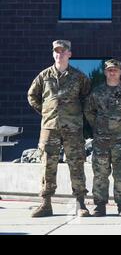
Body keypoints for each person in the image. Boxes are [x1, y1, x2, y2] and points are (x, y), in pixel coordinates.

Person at [27, 40, 91, 217]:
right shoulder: (44, 76)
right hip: (50, 127)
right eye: (56, 51)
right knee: (47, 165)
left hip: (73, 128)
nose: (59, 54)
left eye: (63, 51)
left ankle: (80, 203)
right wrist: (46, 112)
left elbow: (87, 99)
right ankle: (46, 203)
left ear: (70, 54)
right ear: (53, 53)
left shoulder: (79, 77)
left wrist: (80, 118)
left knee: (76, 163)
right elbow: (32, 96)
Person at [84, 59, 121, 217]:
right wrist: (99, 126)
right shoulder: (97, 92)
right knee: (100, 173)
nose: (112, 72)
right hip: (102, 140)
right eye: (109, 70)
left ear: (120, 72)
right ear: (105, 72)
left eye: (115, 70)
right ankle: (100, 206)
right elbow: (89, 111)